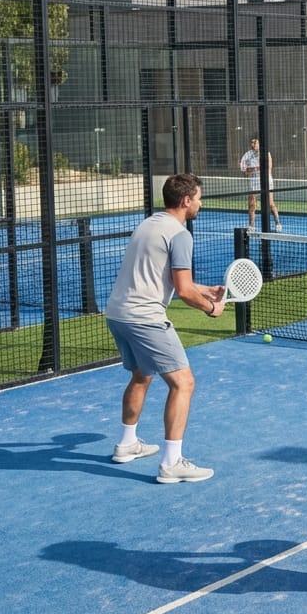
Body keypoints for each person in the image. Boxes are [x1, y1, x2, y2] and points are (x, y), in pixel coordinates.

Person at [105, 173, 224, 483]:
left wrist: (205, 290)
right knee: (183, 383)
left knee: (142, 375)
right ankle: (172, 463)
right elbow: (182, 291)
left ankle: (127, 444)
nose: (200, 203)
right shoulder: (180, 235)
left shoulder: (148, 224)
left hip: (117, 314)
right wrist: (211, 308)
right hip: (145, 318)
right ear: (186, 201)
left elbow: (166, 277)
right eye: (198, 198)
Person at [239, 137, 282, 232]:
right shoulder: (247, 155)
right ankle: (251, 225)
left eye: (255, 142)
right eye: (252, 142)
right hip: (253, 182)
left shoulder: (266, 153)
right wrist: (251, 170)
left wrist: (255, 168)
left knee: (270, 204)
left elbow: (268, 169)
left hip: (266, 181)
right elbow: (245, 174)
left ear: (259, 144)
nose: (253, 144)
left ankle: (277, 223)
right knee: (251, 204)